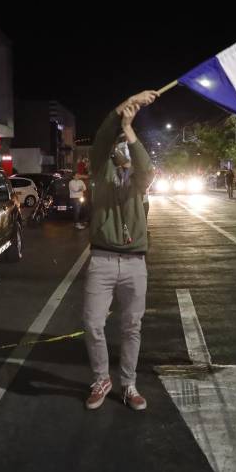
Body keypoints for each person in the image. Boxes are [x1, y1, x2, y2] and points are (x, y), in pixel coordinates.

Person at [83, 90, 157, 411]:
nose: (122, 150)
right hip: (101, 259)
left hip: (135, 263)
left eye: (127, 146)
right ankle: (102, 378)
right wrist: (124, 106)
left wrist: (130, 128)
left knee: (132, 326)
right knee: (92, 323)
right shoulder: (100, 175)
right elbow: (100, 138)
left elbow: (147, 168)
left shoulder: (139, 183)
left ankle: (128, 384)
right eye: (119, 146)